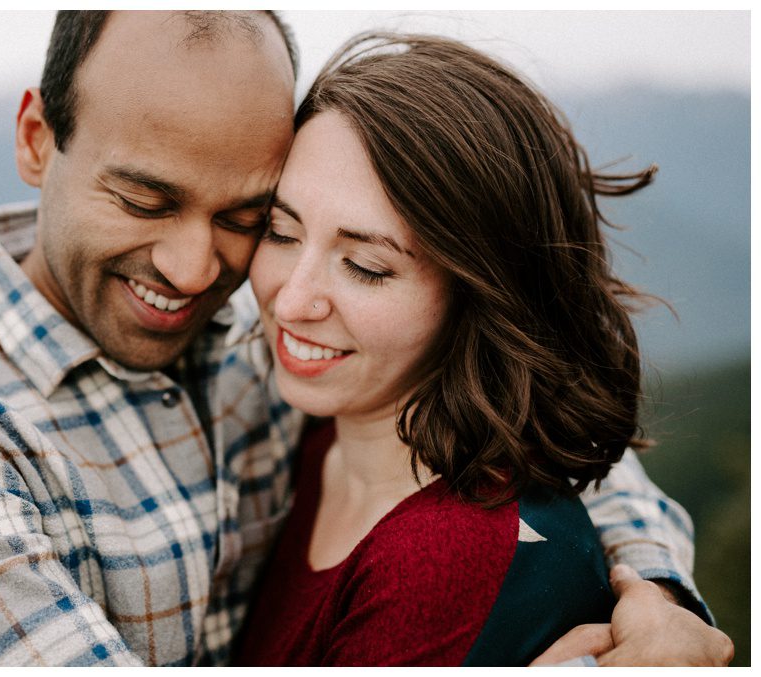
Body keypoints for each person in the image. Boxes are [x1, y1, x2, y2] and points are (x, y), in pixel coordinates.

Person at [0, 10, 727, 666]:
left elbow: (536, 448)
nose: (201, 269)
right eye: (144, 199)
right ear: (39, 138)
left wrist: (655, 599)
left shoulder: (258, 353)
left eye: (248, 215)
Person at [232, 32, 726, 666]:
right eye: (280, 230)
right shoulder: (315, 423)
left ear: (480, 291)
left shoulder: (437, 558)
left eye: (365, 266)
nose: (291, 300)